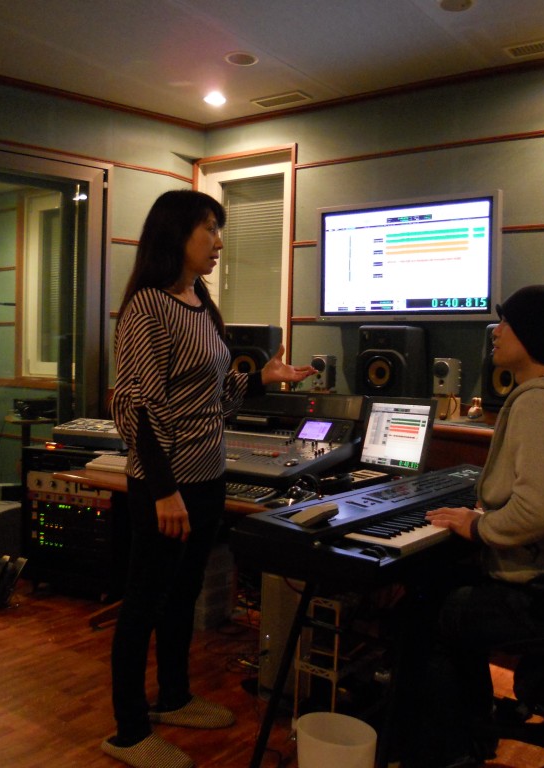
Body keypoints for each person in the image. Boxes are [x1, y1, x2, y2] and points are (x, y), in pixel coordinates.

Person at [103, 190, 316, 768]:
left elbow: (214, 399)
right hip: (165, 484)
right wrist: (164, 489)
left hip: (207, 476)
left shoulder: (200, 301)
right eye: (210, 229)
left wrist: (264, 379)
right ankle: (128, 731)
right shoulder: (147, 307)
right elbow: (137, 407)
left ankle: (173, 696)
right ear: (177, 234)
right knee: (143, 603)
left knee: (182, 595)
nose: (219, 242)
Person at [396, 284, 544, 768]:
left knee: (422, 612)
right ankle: (473, 731)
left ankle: (444, 753)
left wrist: (479, 527)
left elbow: (539, 512)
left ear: (534, 334)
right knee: (442, 587)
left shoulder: (543, 405)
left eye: (507, 323)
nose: (496, 333)